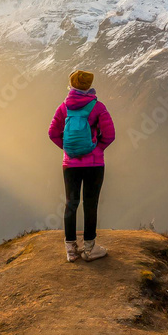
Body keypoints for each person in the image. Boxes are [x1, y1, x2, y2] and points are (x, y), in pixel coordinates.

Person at [48, 69, 115, 262]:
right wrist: (97, 149)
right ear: (89, 85)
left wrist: (68, 149)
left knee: (71, 203)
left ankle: (70, 250)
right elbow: (109, 135)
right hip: (94, 164)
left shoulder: (64, 107)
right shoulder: (98, 107)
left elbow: (53, 132)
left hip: (70, 164)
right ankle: (89, 249)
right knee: (90, 204)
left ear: (72, 85)